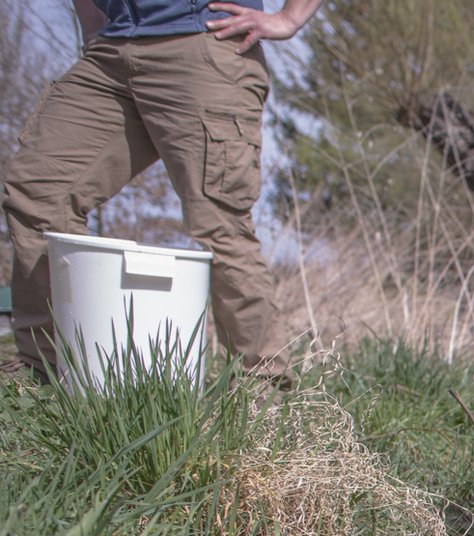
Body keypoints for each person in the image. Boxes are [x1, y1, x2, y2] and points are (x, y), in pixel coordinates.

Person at [3, 0, 321, 383]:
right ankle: (48, 369)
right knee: (36, 191)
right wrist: (95, 29)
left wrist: (289, 18)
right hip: (112, 49)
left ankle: (263, 385)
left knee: (217, 219)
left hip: (203, 42)